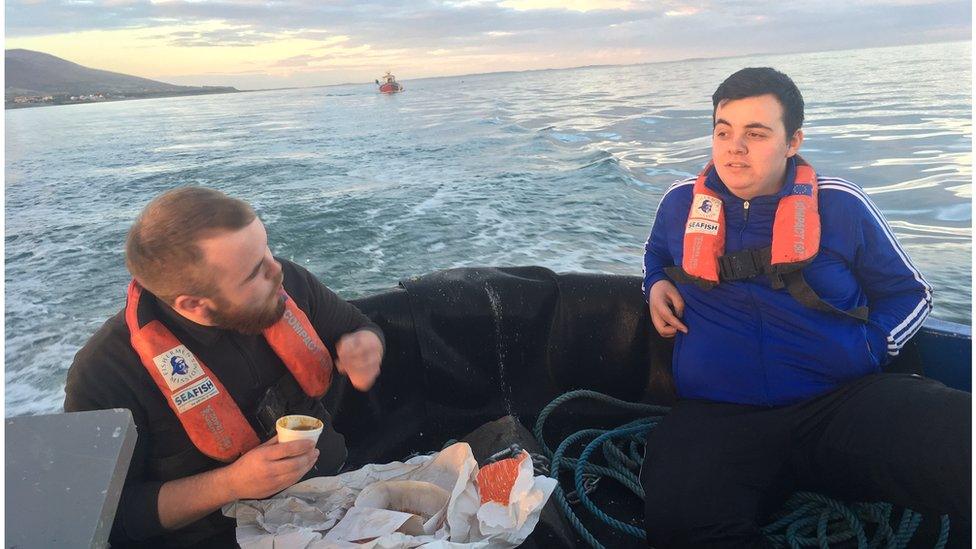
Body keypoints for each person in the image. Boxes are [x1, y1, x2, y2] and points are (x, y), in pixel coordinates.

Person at [639, 67, 970, 548]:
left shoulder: (841, 205)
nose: (735, 147)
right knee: (677, 525)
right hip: (720, 414)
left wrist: (874, 346)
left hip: (841, 403)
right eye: (723, 131)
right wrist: (652, 284)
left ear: (792, 141)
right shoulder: (679, 204)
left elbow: (911, 293)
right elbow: (655, 254)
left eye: (756, 133)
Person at [64, 187, 385, 547]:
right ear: (195, 304)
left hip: (340, 493)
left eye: (266, 247)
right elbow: (108, 516)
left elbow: (357, 325)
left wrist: (366, 346)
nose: (276, 270)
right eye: (253, 273)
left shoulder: (287, 281)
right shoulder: (106, 373)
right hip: (224, 537)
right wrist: (229, 484)